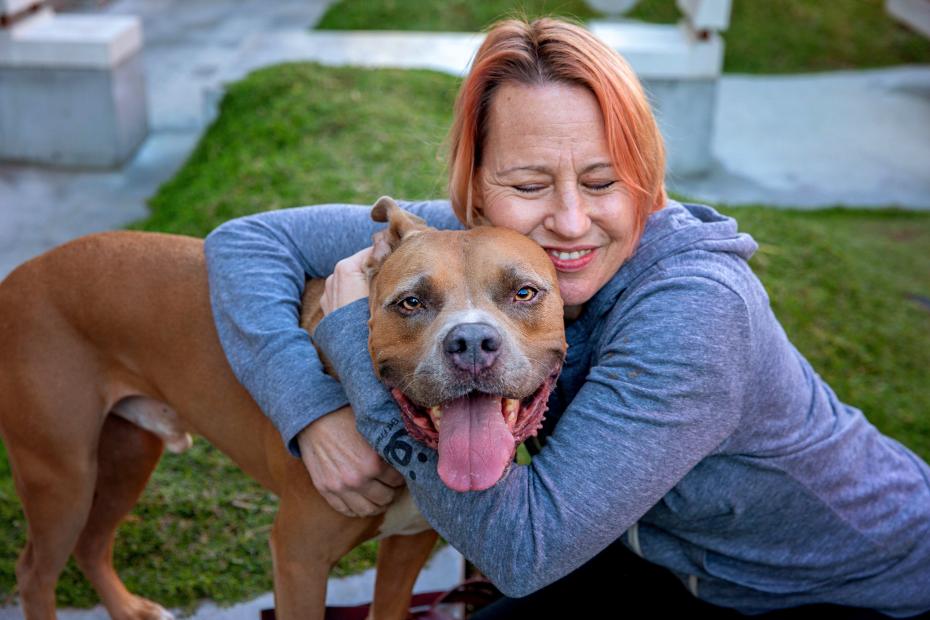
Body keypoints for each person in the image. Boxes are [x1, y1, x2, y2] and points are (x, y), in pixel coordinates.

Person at [203, 17, 930, 619]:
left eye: (602, 181)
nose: (570, 223)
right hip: (662, 558)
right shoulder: (472, 247)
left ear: (646, 184)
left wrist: (352, 354)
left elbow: (522, 551)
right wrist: (309, 408)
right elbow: (247, 241)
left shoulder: (698, 314)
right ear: (474, 195)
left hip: (851, 591)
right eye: (527, 183)